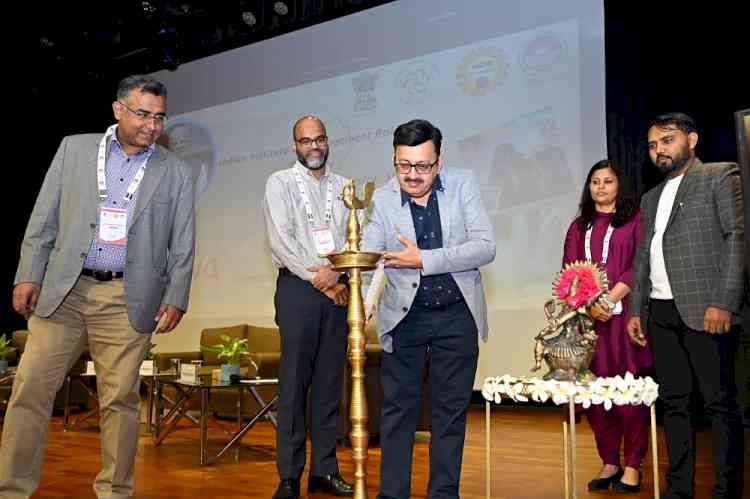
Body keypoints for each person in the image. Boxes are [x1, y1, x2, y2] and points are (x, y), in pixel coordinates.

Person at [0, 75, 196, 498]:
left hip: (126, 298)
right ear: (118, 109)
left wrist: (176, 295)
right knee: (29, 391)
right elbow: (43, 218)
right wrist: (27, 273)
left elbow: (184, 240)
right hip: (64, 293)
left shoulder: (175, 171)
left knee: (120, 402)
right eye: (143, 114)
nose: (151, 125)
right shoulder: (74, 149)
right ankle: (12, 490)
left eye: (159, 117)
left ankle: (114, 493)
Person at [362, 119, 496, 499]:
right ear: (394, 159)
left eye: (422, 166)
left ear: (439, 162)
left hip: (456, 314)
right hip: (405, 318)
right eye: (404, 165)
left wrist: (425, 259)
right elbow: (371, 255)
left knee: (449, 413)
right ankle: (392, 493)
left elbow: (485, 246)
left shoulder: (463, 184)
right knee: (397, 413)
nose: (412, 175)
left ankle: (443, 493)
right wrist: (360, 295)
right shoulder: (383, 198)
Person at [627, 112, 745, 499]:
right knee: (673, 404)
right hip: (660, 314)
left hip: (706, 310)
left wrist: (723, 302)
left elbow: (735, 239)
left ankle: (726, 491)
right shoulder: (650, 197)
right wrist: (636, 312)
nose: (658, 149)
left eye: (667, 140)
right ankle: (679, 489)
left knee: (719, 406)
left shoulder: (718, 175)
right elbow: (643, 258)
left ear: (691, 140)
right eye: (652, 144)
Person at [263, 116, 353, 499]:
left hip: (338, 291)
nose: (313, 147)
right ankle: (289, 476)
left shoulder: (346, 186)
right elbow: (280, 241)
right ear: (294, 146)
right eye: (305, 141)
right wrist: (320, 279)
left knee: (330, 387)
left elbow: (357, 234)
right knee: (295, 385)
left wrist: (336, 278)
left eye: (318, 140)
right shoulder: (279, 183)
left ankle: (324, 470)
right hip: (299, 289)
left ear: (328, 142)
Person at [562, 160, 653, 493]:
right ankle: (609, 461)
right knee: (596, 397)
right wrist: (589, 304)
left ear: (619, 185)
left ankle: (632, 464)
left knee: (628, 395)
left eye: (608, 181)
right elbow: (569, 273)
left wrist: (611, 298)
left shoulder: (634, 220)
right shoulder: (577, 227)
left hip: (626, 318)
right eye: (595, 182)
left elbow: (639, 263)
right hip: (589, 325)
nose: (600, 187)